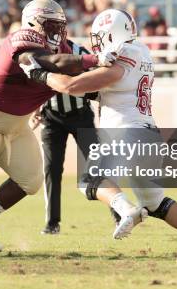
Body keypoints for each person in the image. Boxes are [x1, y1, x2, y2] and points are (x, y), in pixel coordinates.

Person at [22, 8, 177, 253]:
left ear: (109, 33)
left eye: (99, 36)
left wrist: (41, 75)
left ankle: (127, 210)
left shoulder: (126, 52)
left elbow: (76, 85)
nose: (96, 43)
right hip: (147, 133)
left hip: (127, 131)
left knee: (89, 181)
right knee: (156, 203)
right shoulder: (141, 51)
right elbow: (106, 89)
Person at [0, 0, 121, 253]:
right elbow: (54, 63)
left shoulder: (60, 46)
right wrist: (95, 60)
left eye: (59, 25)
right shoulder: (22, 38)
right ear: (32, 22)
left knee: (31, 181)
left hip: (16, 125)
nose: (56, 32)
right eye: (50, 25)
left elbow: (71, 74)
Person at [32, 39, 109, 235]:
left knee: (97, 163)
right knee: (51, 169)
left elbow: (95, 79)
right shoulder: (39, 52)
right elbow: (35, 83)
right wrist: (36, 107)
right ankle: (52, 222)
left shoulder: (78, 51)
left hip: (81, 115)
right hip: (51, 117)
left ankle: (119, 213)